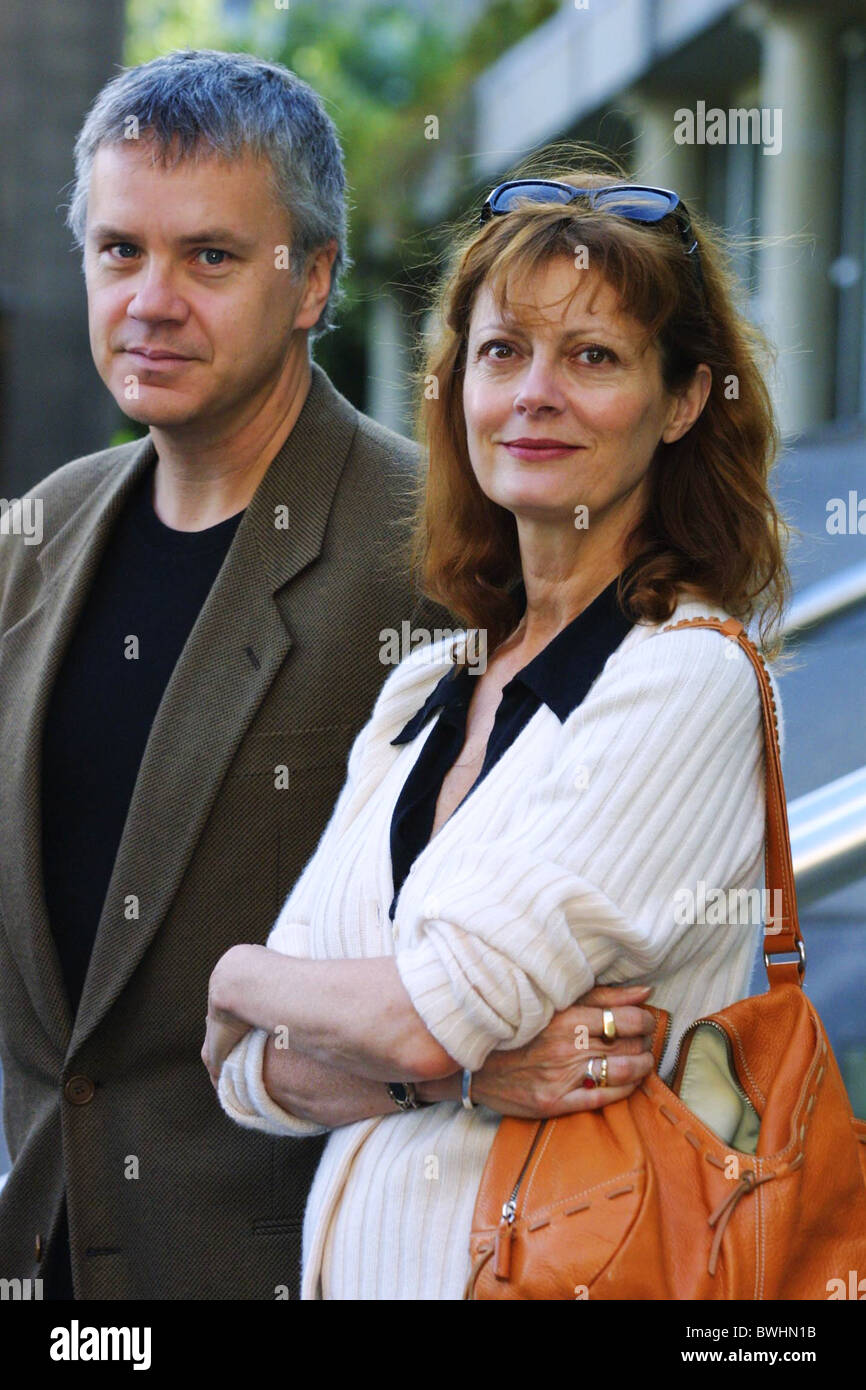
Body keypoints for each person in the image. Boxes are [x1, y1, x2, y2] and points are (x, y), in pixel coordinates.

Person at [205, 166, 792, 1300]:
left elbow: (421, 1021)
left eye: (592, 357)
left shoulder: (682, 676)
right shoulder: (421, 690)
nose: (534, 393)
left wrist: (240, 971)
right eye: (500, 352)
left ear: (679, 402)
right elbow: (244, 1073)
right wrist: (458, 1077)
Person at [0, 47, 453, 1302]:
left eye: (208, 256)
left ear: (310, 278)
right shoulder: (37, 533)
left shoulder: (436, 551)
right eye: (118, 251)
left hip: (295, 1263)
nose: (149, 299)